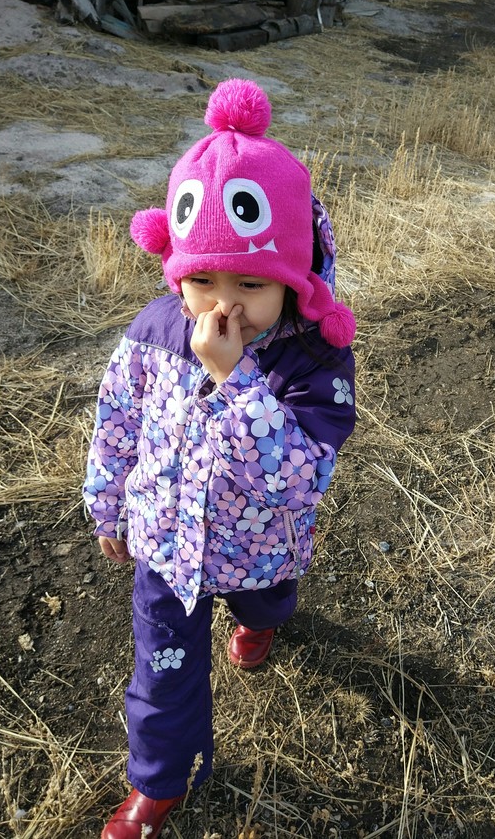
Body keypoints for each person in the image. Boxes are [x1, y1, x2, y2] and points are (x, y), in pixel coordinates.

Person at [83, 79, 357, 839]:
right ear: (176, 271)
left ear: (293, 278)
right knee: (161, 673)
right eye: (201, 280)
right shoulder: (153, 331)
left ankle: (265, 618)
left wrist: (236, 379)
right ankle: (158, 782)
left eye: (250, 284)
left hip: (260, 547)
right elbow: (117, 421)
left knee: (263, 598)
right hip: (167, 548)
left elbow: (302, 478)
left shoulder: (311, 360)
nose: (220, 307)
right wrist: (108, 504)